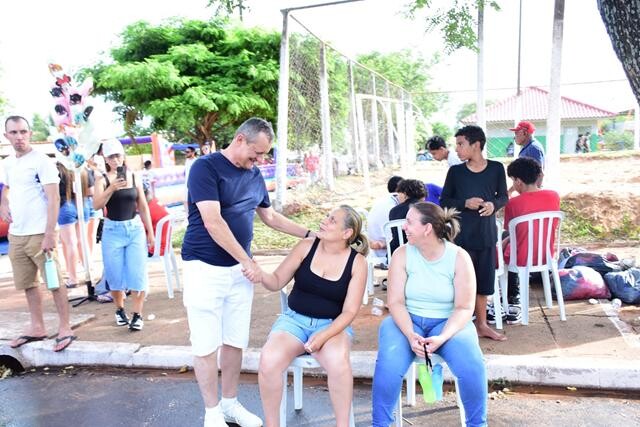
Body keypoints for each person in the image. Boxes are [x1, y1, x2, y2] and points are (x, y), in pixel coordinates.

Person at [181, 118, 313, 427]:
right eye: (257, 153)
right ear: (240, 139)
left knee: (235, 340)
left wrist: (310, 234)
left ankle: (229, 403)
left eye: (264, 155)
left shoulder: (254, 175)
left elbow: (270, 217)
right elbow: (213, 222)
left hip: (239, 273)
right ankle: (212, 412)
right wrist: (248, 261)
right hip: (204, 268)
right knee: (205, 343)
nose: (260, 160)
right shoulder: (205, 168)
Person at [372, 202, 487, 427]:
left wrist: (442, 337)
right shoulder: (402, 254)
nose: (404, 227)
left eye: (409, 222)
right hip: (407, 321)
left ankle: (478, 425)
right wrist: (410, 334)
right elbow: (395, 302)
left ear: (427, 229)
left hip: (448, 323)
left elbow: (464, 307)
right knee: (388, 365)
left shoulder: (459, 257)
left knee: (472, 366)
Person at [254, 205, 368, 427]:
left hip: (333, 326)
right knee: (268, 360)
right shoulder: (306, 246)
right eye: (326, 216)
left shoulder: (357, 262)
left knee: (338, 363)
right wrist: (261, 275)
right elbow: (276, 281)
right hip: (294, 321)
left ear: (347, 233)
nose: (324, 221)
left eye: (332, 220)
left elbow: (350, 312)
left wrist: (324, 335)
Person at [1, 116, 75, 352]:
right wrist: (3, 203)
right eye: (14, 132)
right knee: (28, 283)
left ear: (30, 133)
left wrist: (50, 233)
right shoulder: (8, 163)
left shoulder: (41, 161)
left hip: (41, 232)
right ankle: (37, 327)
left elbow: (54, 198)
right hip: (17, 234)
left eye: (23, 131)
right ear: (6, 136)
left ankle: (65, 328)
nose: (19, 137)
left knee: (54, 281)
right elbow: (5, 187)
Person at [440, 125, 508, 341]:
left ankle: (482, 325)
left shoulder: (496, 168)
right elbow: (444, 201)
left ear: (476, 145)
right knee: (461, 283)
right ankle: (459, 327)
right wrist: (465, 203)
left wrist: (493, 205)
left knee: (484, 282)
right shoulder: (455, 172)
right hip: (461, 237)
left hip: (486, 235)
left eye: (461, 144)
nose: (457, 149)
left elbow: (503, 197)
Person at [93, 138, 155, 331]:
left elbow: (142, 206)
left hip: (134, 228)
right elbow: (96, 205)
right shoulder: (102, 179)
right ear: (105, 158)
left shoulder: (134, 176)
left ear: (123, 155)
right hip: (112, 230)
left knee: (138, 273)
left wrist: (150, 232)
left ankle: (137, 314)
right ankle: (120, 309)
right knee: (115, 274)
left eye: (118, 155)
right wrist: (112, 188)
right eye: (111, 157)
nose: (115, 160)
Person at [498, 157, 561, 325]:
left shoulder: (513, 203)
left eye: (513, 180)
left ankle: (511, 297)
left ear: (518, 181)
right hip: (546, 254)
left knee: (503, 241)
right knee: (510, 240)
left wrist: (504, 242)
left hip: (522, 258)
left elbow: (510, 230)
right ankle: (514, 297)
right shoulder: (554, 196)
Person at [55, 162, 91, 288]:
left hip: (65, 205)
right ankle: (88, 273)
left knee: (71, 243)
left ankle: (73, 278)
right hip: (83, 203)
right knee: (82, 241)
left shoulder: (59, 169)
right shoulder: (82, 168)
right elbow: (90, 189)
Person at [367, 175, 403, 260]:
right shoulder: (393, 208)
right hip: (387, 255)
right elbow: (397, 242)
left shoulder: (381, 201)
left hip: (374, 253)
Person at [388, 179, 427, 258]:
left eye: (398, 194)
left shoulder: (394, 211)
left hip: (396, 253)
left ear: (405, 194)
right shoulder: (426, 209)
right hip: (422, 253)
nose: (397, 197)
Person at [508, 121, 545, 196]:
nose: (514, 137)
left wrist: (535, 196)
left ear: (525, 133)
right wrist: (510, 191)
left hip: (531, 194)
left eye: (516, 133)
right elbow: (523, 176)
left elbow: (539, 174)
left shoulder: (533, 148)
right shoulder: (528, 147)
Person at [144, 182, 170, 257]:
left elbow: (140, 231)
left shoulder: (148, 211)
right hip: (165, 245)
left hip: (155, 249)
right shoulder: (155, 201)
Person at [184, 146, 197, 215]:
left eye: (187, 152)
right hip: (187, 184)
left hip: (193, 185)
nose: (186, 153)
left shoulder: (196, 161)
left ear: (193, 152)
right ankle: (187, 216)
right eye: (185, 152)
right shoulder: (187, 161)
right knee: (185, 201)